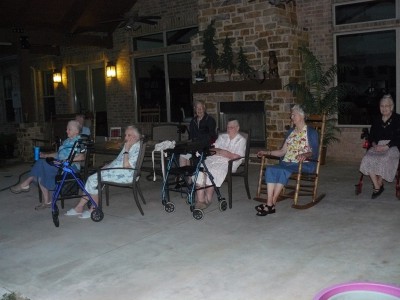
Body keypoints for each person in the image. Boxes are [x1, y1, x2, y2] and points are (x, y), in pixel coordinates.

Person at [65, 125, 142, 219]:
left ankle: (93, 208)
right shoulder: (131, 144)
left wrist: (126, 150)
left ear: (134, 137)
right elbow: (118, 160)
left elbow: (126, 165)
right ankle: (79, 207)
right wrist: (108, 166)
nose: (125, 138)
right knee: (93, 177)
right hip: (118, 171)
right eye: (125, 135)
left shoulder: (135, 148)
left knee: (92, 179)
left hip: (126, 174)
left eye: (128, 135)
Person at [255, 104, 319, 216]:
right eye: (291, 115)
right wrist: (266, 152)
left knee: (283, 170)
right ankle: (270, 203)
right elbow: (282, 151)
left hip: (303, 163)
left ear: (302, 116)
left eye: (294, 115)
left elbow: (314, 152)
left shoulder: (311, 132)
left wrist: (305, 154)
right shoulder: (291, 132)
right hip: (287, 163)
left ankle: (270, 204)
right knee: (270, 169)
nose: (291, 117)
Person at [10, 120, 83, 209]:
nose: (66, 131)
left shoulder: (80, 141)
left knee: (42, 165)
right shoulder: (67, 141)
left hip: (70, 167)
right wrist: (45, 155)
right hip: (60, 165)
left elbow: (82, 157)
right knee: (41, 162)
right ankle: (45, 199)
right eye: (67, 129)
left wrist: (67, 160)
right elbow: (58, 154)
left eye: (69, 129)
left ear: (76, 131)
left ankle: (27, 184)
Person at [195, 118, 246, 210]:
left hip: (229, 163)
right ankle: (200, 199)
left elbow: (237, 157)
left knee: (212, 171)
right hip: (215, 158)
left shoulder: (241, 140)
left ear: (237, 128)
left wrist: (223, 152)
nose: (229, 129)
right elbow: (213, 148)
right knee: (202, 168)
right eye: (228, 127)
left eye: (231, 127)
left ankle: (208, 199)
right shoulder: (222, 136)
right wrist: (222, 152)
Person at [359, 94, 400, 199]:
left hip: (393, 146)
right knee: (367, 158)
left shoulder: (397, 119)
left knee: (385, 158)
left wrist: (386, 146)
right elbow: (372, 136)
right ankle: (377, 185)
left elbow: (398, 137)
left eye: (387, 106)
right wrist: (374, 145)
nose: (384, 108)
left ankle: (379, 183)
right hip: (377, 145)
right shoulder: (377, 120)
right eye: (382, 106)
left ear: (391, 107)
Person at [179, 100, 217, 167]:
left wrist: (197, 143)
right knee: (182, 155)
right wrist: (189, 145)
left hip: (205, 148)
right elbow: (191, 137)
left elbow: (211, 136)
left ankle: (193, 174)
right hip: (194, 147)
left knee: (193, 154)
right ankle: (187, 176)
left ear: (204, 108)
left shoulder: (210, 120)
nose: (199, 110)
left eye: (201, 108)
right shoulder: (193, 121)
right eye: (197, 108)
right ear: (194, 109)